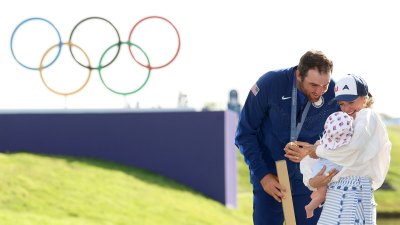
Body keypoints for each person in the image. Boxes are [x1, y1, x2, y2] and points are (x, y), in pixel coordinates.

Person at [235, 50, 339, 225]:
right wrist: (262, 175)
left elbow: (342, 139)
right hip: (270, 180)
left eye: (325, 85)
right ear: (299, 74)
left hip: (309, 181)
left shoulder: (334, 93)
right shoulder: (269, 84)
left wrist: (314, 151)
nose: (320, 92)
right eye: (313, 85)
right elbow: (245, 133)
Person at [286, 74, 391, 225]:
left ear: (364, 98)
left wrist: (317, 150)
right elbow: (314, 158)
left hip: (355, 195)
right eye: (342, 104)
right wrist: (312, 181)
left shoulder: (368, 117)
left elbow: (353, 148)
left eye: (351, 102)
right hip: (334, 197)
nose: (346, 108)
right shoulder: (341, 124)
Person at [301, 111, 354, 218]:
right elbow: (314, 151)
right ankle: (309, 208)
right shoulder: (324, 144)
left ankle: (315, 198)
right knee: (321, 195)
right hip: (324, 171)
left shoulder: (326, 141)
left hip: (326, 170)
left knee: (323, 194)